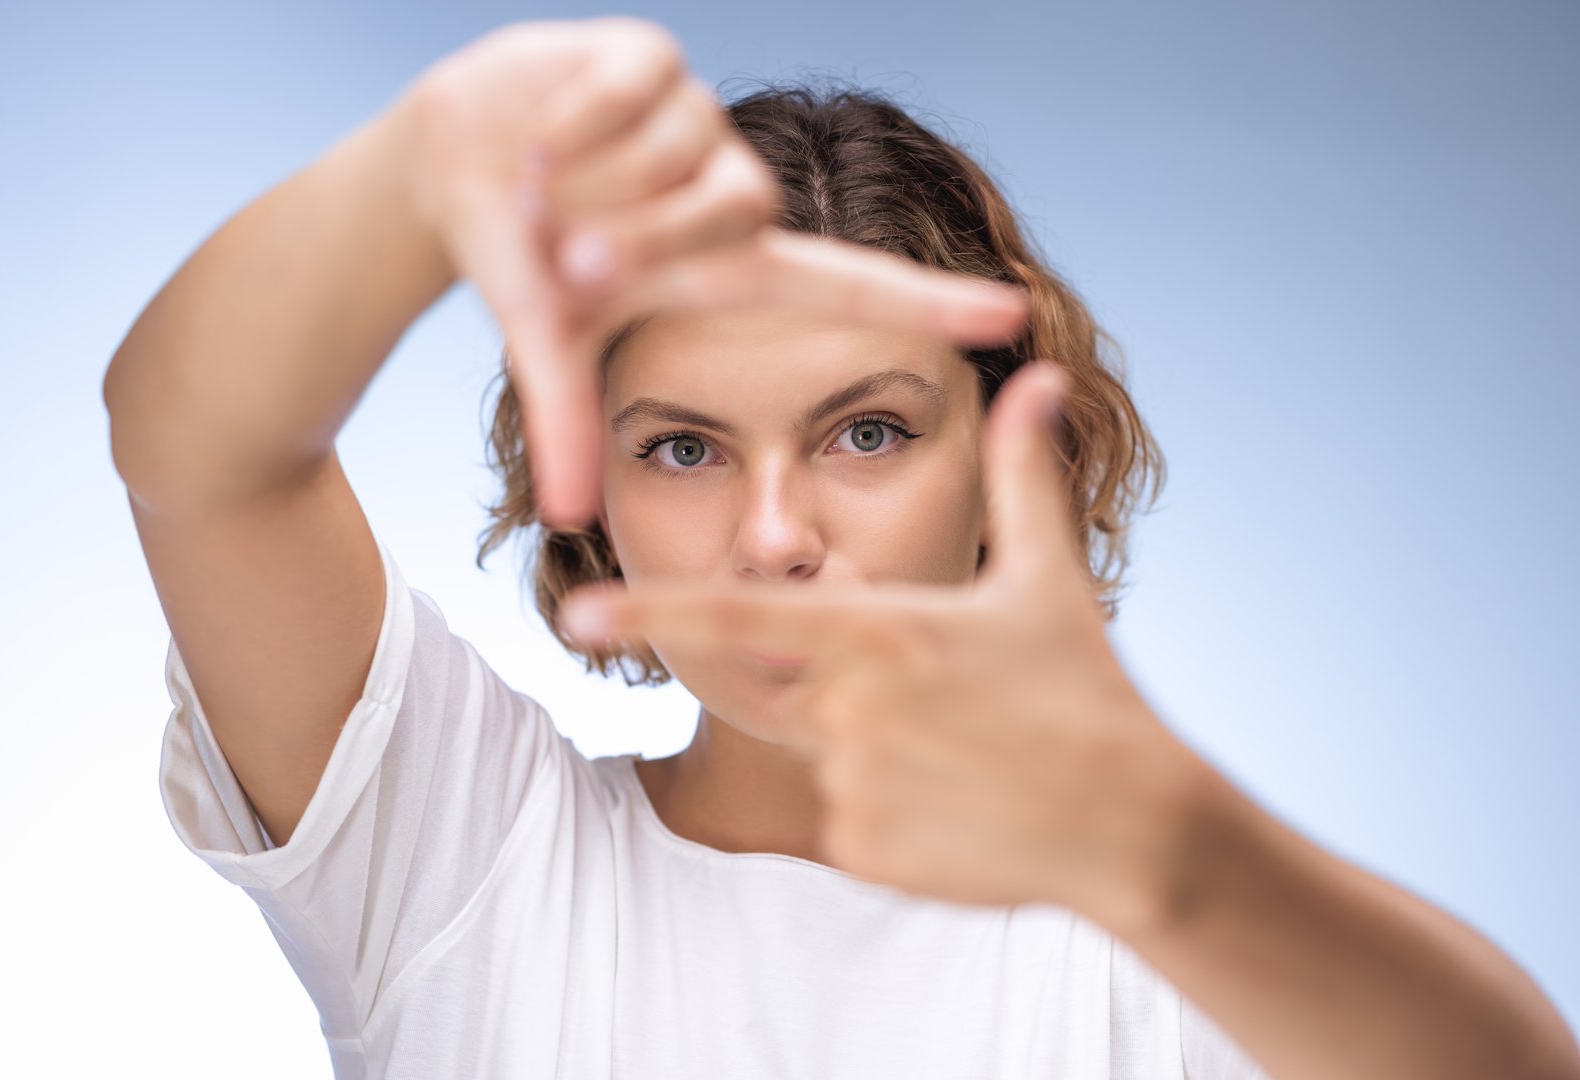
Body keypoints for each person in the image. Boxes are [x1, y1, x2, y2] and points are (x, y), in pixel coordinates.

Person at [106, 15, 1580, 1080]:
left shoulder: (1150, 938)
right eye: (682, 447)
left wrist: (1174, 856)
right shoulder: (462, 857)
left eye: (866, 433)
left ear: (1010, 459)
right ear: (588, 487)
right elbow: (193, 450)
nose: (773, 538)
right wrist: (428, 165)